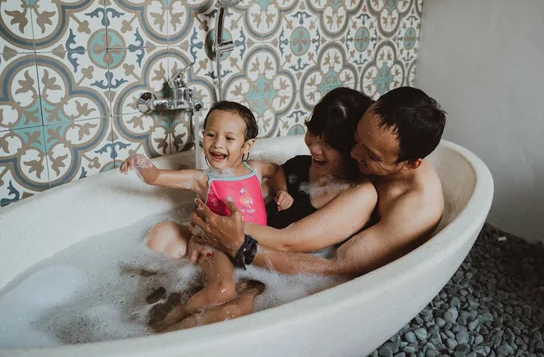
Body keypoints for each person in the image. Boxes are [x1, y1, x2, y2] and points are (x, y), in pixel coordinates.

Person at [189, 86, 447, 277]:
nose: (355, 154)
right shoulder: (339, 160)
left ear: (411, 163)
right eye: (356, 140)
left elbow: (337, 269)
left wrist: (239, 246)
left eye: (371, 155)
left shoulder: (413, 208)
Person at [120, 101, 289, 330]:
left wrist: (283, 191)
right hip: (216, 245)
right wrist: (140, 163)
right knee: (223, 290)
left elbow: (277, 170)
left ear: (246, 145)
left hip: (251, 247)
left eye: (229, 138)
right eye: (211, 135)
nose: (217, 144)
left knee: (250, 293)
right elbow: (156, 177)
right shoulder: (203, 179)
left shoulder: (255, 169)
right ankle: (174, 316)